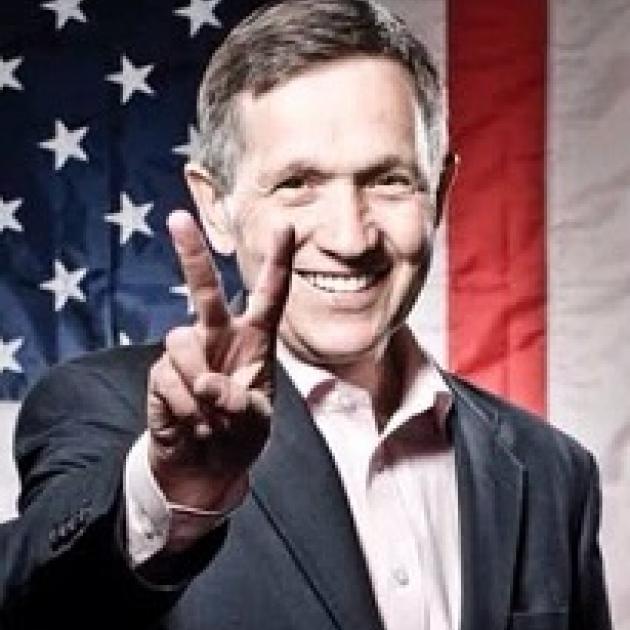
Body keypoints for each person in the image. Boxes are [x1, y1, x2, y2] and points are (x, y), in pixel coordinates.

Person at [0, 1, 612, 629]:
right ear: (216, 207)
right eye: (297, 183)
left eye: (388, 180)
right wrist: (168, 496)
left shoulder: (553, 472)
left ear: (441, 194)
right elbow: (35, 604)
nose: (350, 237)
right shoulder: (103, 409)